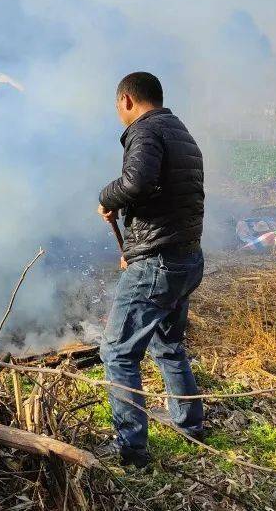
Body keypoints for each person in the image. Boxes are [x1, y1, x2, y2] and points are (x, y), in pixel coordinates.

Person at [96, 71, 205, 468]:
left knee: (118, 352)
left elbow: (137, 181)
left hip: (160, 262)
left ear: (127, 100)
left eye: (116, 105)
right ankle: (191, 425)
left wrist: (108, 196)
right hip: (185, 257)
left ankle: (132, 451)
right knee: (167, 343)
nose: (118, 113)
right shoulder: (180, 131)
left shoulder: (145, 131)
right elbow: (167, 197)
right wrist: (139, 249)